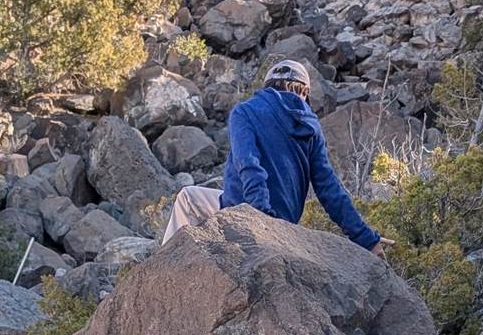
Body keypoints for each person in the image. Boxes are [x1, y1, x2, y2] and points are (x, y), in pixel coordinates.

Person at [160, 60, 382, 253]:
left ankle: (169, 268)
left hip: (246, 209)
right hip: (285, 220)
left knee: (188, 198)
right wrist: (366, 238)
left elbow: (248, 164)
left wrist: (260, 216)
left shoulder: (245, 111)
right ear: (304, 92)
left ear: (268, 85)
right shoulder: (311, 127)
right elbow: (330, 190)